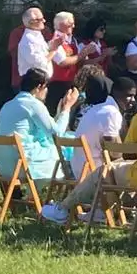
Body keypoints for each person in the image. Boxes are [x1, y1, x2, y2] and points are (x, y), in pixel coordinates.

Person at [42, 71, 122, 222]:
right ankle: (111, 210)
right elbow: (113, 152)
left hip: (77, 166)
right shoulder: (109, 112)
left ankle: (99, 210)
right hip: (92, 171)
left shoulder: (90, 110)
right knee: (128, 169)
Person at [0, 67, 77, 187]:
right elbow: (56, 134)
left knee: (55, 146)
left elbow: (48, 129)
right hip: (23, 166)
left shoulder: (8, 104)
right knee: (68, 148)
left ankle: (34, 196)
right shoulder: (33, 104)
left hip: (4, 166)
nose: (47, 91)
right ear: (39, 87)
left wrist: (60, 112)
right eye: (46, 87)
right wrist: (67, 108)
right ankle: (72, 193)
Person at [45, 11, 81, 111]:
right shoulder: (56, 40)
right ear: (62, 24)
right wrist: (81, 55)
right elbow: (62, 62)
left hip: (70, 81)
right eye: (71, 23)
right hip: (57, 84)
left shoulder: (72, 40)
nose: (73, 26)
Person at [12, 7, 52, 84]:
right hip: (32, 82)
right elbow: (40, 63)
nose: (44, 21)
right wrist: (54, 50)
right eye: (41, 19)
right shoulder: (28, 38)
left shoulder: (38, 34)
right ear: (32, 21)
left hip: (42, 80)